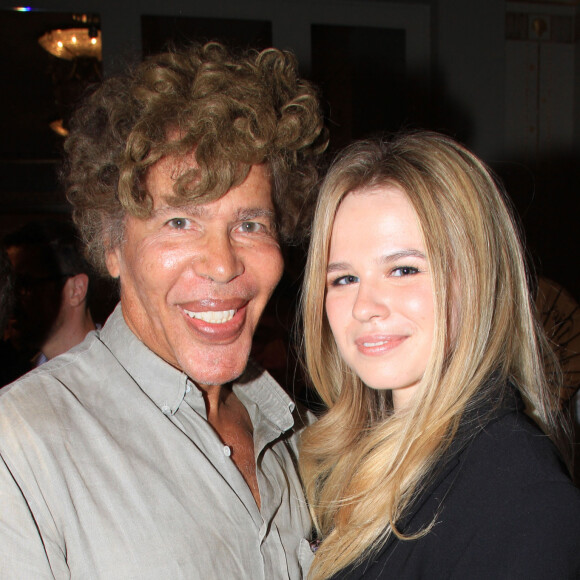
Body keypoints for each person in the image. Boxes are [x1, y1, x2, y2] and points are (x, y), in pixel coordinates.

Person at [0, 42, 326, 578]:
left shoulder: (302, 437)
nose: (223, 265)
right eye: (179, 222)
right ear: (111, 245)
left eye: (249, 225)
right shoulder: (23, 447)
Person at [299, 132, 580, 580]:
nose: (364, 306)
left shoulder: (521, 495)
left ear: (477, 277)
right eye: (343, 279)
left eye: (403, 269)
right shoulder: (354, 456)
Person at [0, 219, 97, 386]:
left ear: (77, 289)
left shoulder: (125, 370)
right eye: (11, 287)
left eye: (25, 285)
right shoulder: (15, 377)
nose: (12, 299)